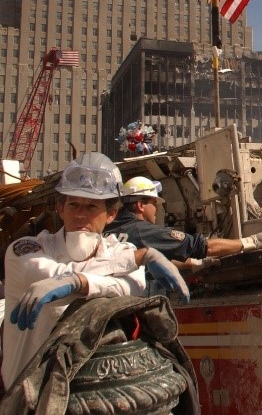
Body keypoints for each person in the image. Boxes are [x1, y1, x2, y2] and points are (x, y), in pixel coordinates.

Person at [2, 153, 189, 388]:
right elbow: (49, 275)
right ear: (60, 208)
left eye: (91, 206)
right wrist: (138, 258)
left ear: (111, 214)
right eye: (73, 204)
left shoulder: (121, 250)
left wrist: (77, 282)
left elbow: (130, 289)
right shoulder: (26, 249)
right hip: (26, 394)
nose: (80, 214)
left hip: (94, 390)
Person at [104, 176, 262, 271]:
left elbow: (153, 264)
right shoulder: (144, 232)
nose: (157, 209)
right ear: (140, 205)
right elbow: (202, 247)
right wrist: (253, 242)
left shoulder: (107, 228)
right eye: (154, 203)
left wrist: (196, 264)